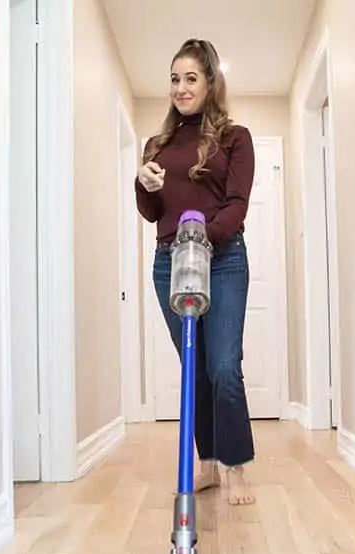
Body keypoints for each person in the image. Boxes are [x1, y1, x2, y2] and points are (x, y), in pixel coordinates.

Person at [135, 37, 256, 506]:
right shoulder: (158, 144)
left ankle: (236, 467)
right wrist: (143, 184)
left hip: (221, 259)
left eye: (190, 78)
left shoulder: (234, 138)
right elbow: (150, 212)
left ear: (210, 83)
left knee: (224, 367)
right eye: (174, 79)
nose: (180, 88)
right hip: (171, 262)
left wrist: (203, 235)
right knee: (196, 369)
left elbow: (237, 205)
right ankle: (207, 465)